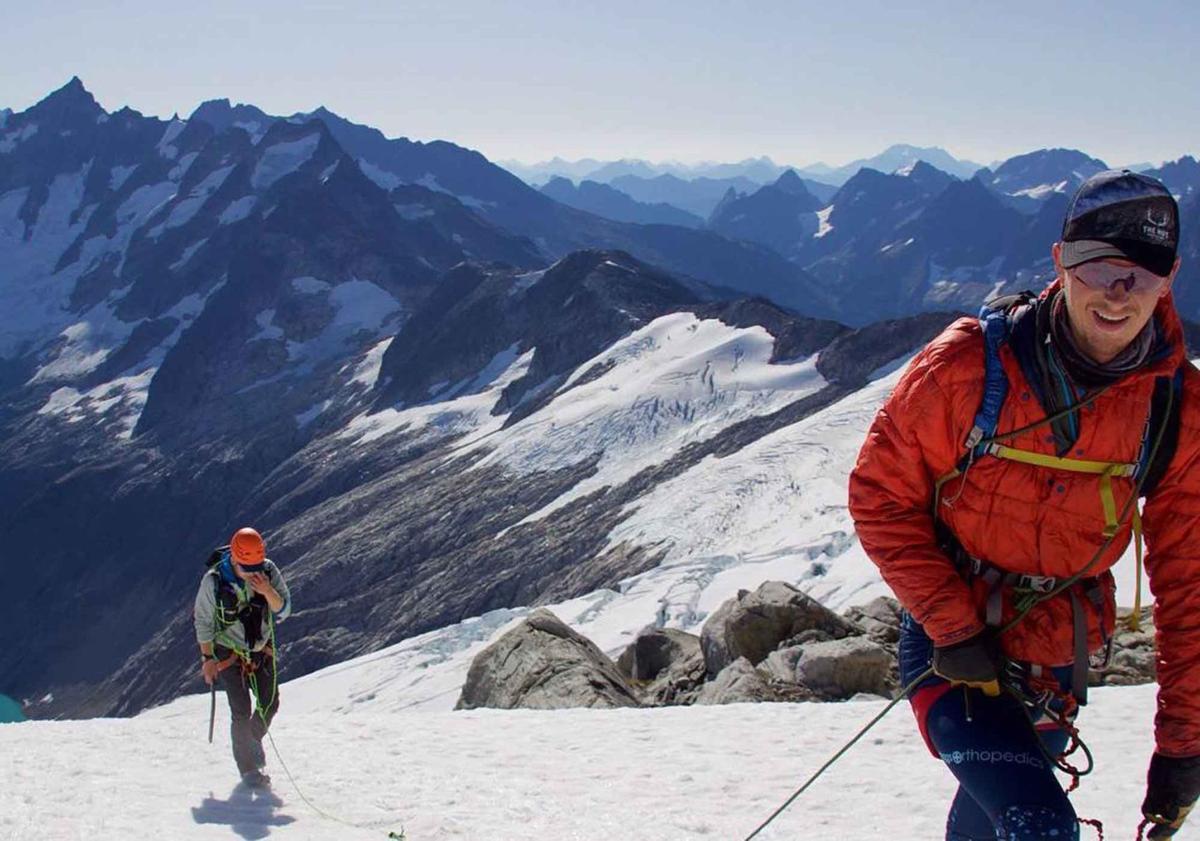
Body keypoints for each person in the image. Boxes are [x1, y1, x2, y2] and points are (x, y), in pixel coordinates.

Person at [849, 170, 1200, 840]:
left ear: (1171, 277)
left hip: (1052, 665)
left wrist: (1184, 742)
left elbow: (1190, 582)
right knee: (1037, 822)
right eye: (1099, 267)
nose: (1119, 294)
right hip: (951, 643)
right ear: (1061, 262)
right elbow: (878, 495)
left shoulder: (1177, 410)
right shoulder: (968, 369)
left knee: (997, 821)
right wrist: (955, 628)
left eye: (1144, 274)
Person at [194, 526, 292, 788]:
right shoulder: (213, 581)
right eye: (248, 568)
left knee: (270, 703)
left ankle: (252, 739)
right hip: (228, 652)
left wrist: (267, 590)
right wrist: (207, 659)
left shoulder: (268, 571)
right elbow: (203, 621)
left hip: (261, 647)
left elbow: (283, 610)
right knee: (241, 711)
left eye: (256, 566)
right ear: (234, 559)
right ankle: (248, 770)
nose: (253, 573)